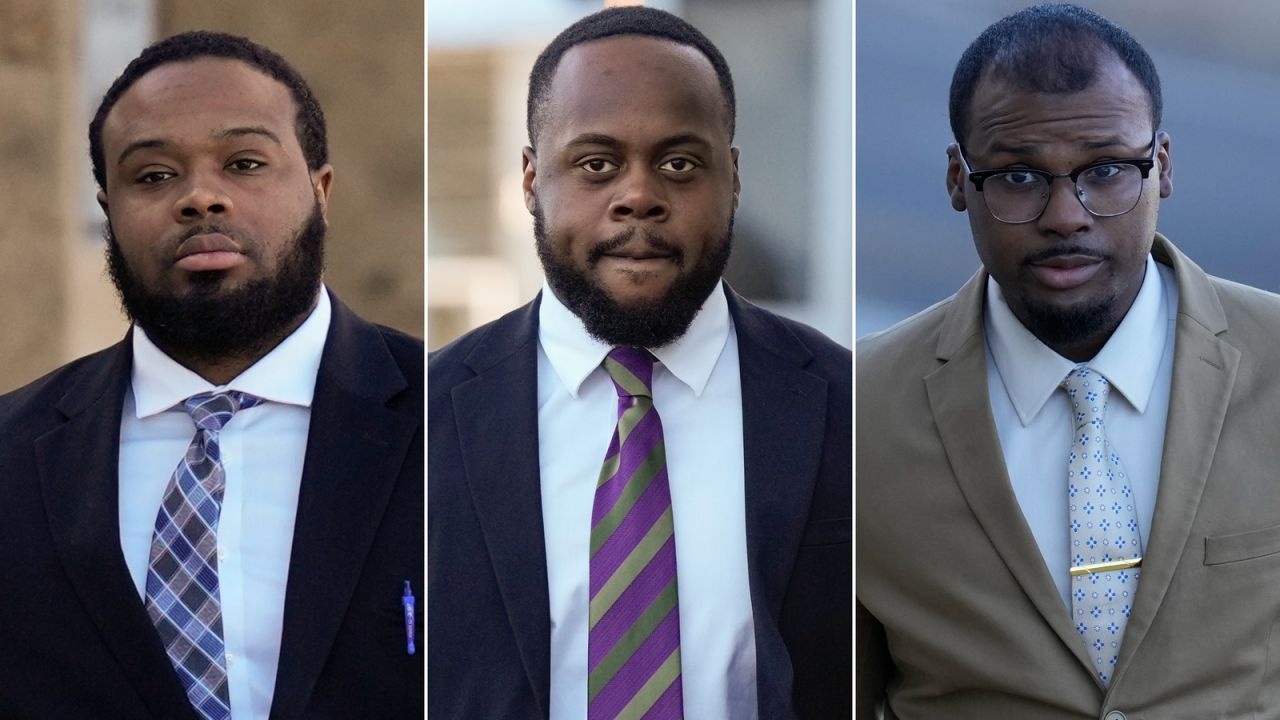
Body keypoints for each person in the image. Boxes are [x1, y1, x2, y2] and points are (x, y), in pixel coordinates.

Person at [858, 3, 1280, 718]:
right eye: (1020, 177)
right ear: (960, 180)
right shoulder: (859, 406)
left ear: (1163, 168)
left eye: (1107, 170)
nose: (1066, 215)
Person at [428, 6, 851, 719]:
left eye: (679, 164)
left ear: (734, 177)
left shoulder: (849, 406)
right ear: (531, 178)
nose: (639, 197)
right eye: (596, 164)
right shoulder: (425, 417)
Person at [0, 31, 422, 719]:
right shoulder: (13, 454)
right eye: (154, 176)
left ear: (321, 190)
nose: (201, 198)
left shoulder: (456, 424)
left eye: (245, 162)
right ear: (108, 210)